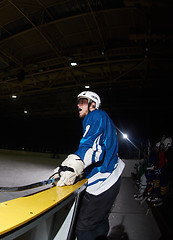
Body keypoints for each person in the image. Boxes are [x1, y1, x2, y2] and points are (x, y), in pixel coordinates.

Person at [52, 91, 125, 240]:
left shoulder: (96, 115)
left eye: (83, 101)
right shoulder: (103, 118)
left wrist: (73, 165)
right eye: (78, 102)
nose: (78, 105)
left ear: (93, 105)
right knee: (99, 222)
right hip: (111, 180)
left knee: (83, 228)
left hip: (103, 182)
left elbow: (93, 147)